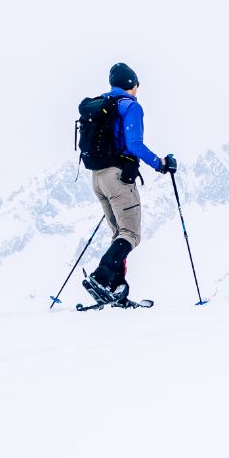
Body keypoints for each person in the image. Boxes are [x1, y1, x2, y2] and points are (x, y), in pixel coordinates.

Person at [81, 62, 177, 306]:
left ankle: (115, 291)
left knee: (118, 235)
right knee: (130, 234)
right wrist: (161, 163)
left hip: (97, 178)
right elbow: (134, 144)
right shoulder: (130, 106)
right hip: (117, 178)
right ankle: (102, 277)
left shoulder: (102, 104)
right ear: (131, 84)